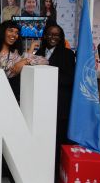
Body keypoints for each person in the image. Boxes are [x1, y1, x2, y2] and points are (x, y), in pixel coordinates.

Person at [35, 24, 75, 180]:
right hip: (42, 105)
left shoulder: (68, 54)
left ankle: (57, 175)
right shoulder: (38, 52)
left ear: (61, 37)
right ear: (44, 35)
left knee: (58, 142)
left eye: (56, 35)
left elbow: (69, 79)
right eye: (49, 34)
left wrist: (48, 72)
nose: (52, 37)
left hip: (60, 107)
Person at [0, 20, 48, 101]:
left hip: (11, 98)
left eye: (17, 33)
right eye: (10, 31)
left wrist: (25, 61)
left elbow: (45, 60)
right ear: (2, 32)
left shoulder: (18, 54)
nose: (14, 35)